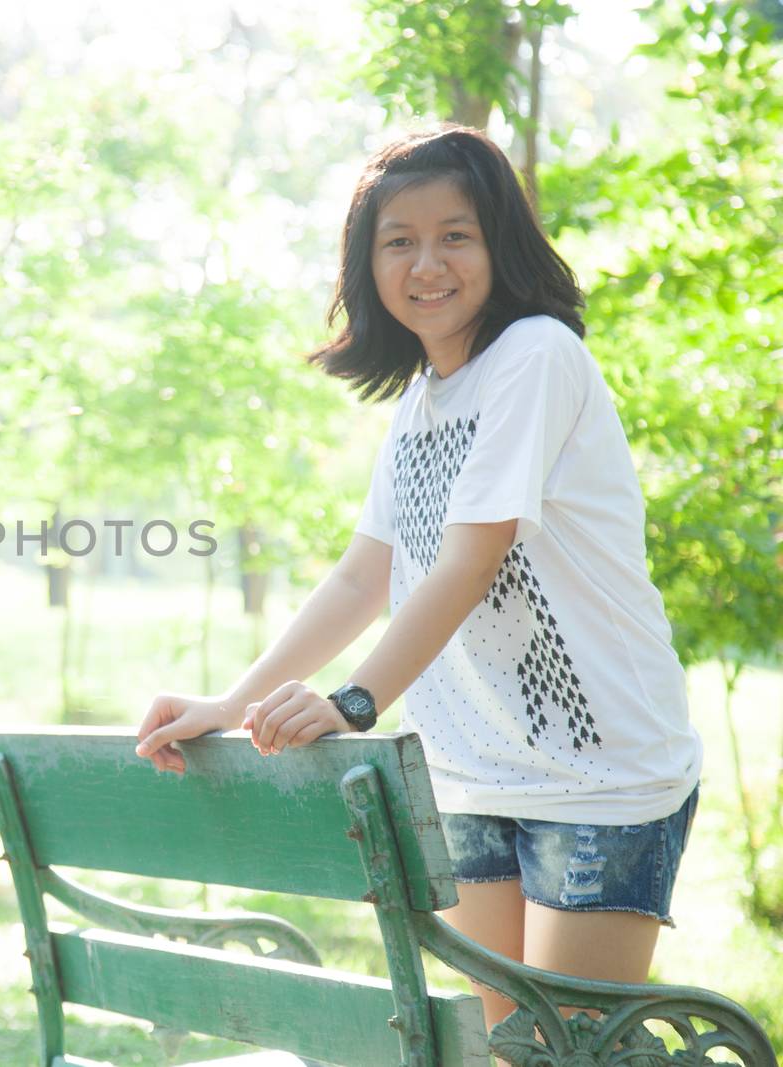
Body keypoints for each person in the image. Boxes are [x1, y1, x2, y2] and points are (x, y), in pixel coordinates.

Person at [132, 125, 703, 1034]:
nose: (426, 262)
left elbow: (471, 560)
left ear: (499, 244)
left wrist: (354, 702)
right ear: (369, 263)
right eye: (399, 239)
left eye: (456, 235)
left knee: (563, 1053)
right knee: (510, 1050)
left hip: (600, 776)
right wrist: (232, 702)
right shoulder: (421, 401)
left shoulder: (537, 356)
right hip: (472, 776)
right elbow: (367, 576)